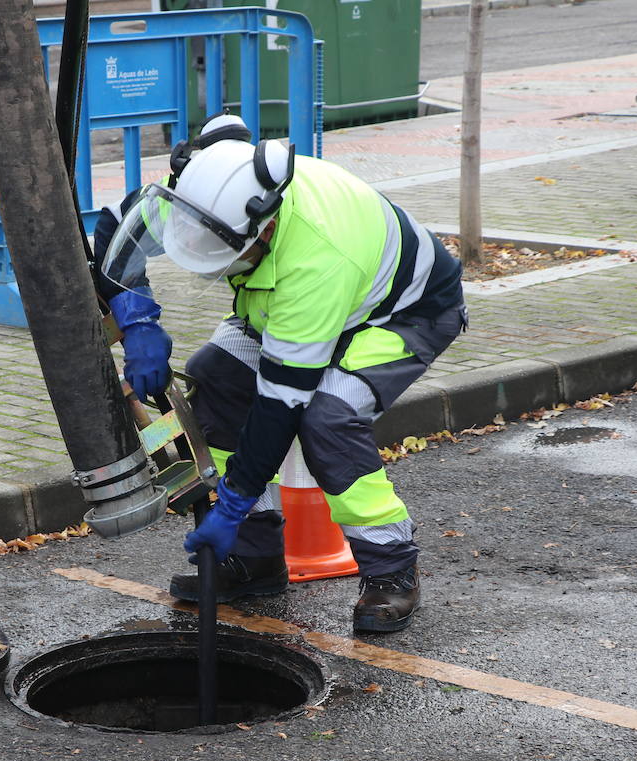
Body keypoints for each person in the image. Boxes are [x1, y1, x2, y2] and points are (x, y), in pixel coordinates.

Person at [95, 114, 466, 634]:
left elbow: (278, 408)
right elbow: (114, 230)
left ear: (264, 227)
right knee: (216, 378)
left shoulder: (315, 260)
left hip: (399, 312)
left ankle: (391, 569)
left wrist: (231, 503)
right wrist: (137, 323)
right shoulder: (201, 191)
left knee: (326, 419)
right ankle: (254, 559)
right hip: (297, 306)